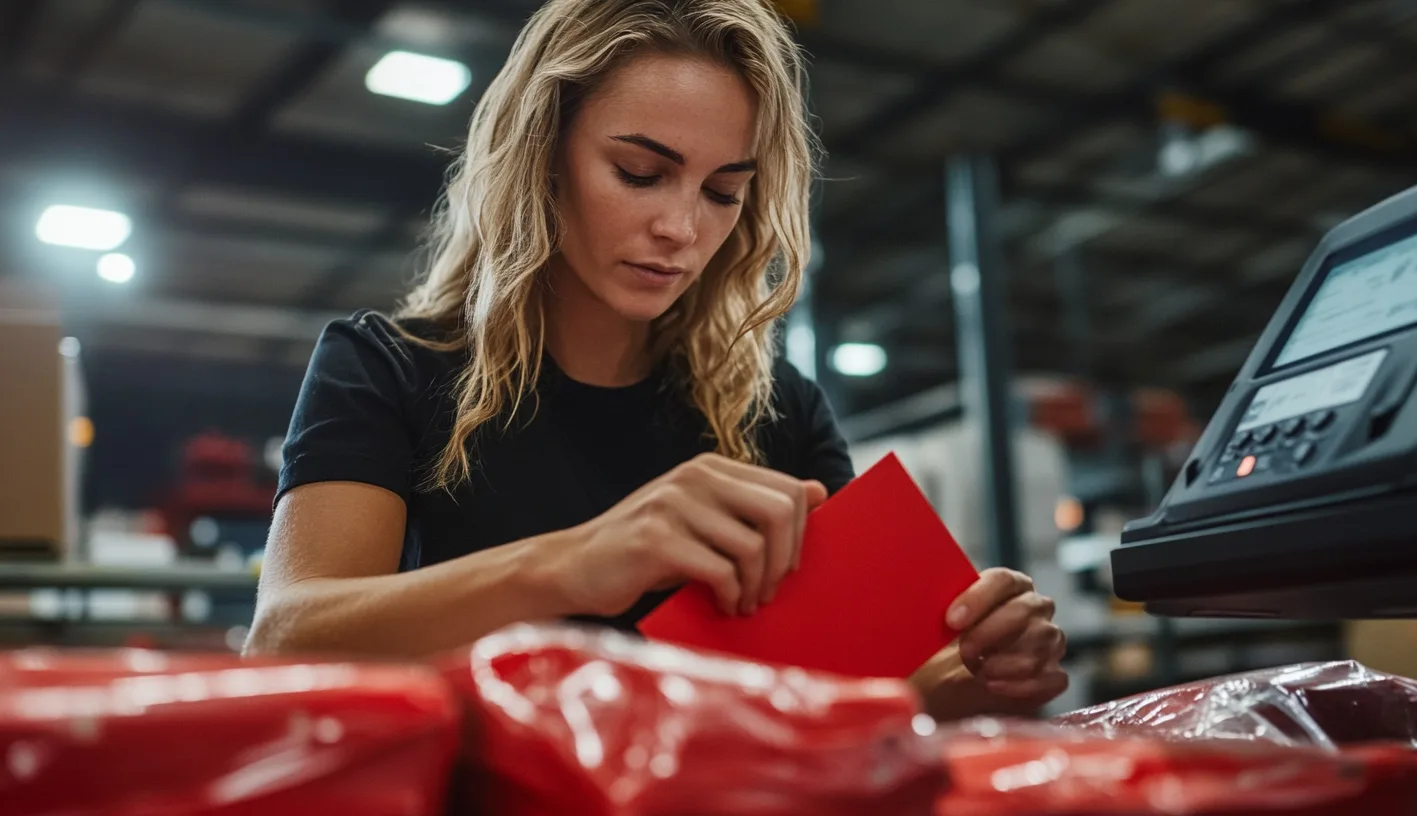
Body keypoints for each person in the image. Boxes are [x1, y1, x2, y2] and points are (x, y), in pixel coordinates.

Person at [246, 0, 1067, 720]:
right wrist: (578, 562)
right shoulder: (387, 368)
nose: (682, 228)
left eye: (722, 192)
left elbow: (853, 700)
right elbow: (283, 642)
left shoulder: (778, 410)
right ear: (542, 153)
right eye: (641, 173)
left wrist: (970, 666)